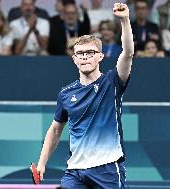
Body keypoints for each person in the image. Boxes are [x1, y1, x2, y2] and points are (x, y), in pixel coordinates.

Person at [32, 2, 134, 189]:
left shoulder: (111, 82)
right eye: (80, 53)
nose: (85, 56)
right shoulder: (66, 93)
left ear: (100, 56)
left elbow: (127, 53)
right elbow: (55, 130)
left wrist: (125, 20)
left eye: (90, 52)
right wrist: (42, 163)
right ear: (74, 59)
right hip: (75, 171)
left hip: (108, 168)